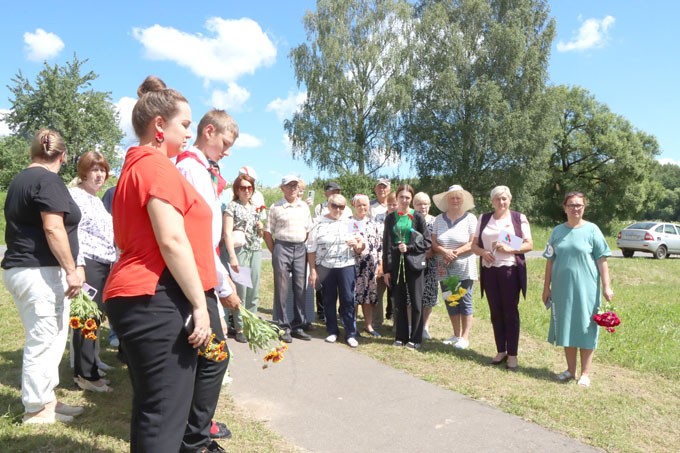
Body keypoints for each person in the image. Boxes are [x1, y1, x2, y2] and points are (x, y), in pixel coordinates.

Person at [103, 76, 216, 452]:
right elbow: (171, 239)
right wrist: (200, 305)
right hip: (154, 294)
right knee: (165, 414)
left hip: (138, 294)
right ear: (158, 126)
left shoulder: (137, 165)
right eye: (184, 124)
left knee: (154, 410)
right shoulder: (155, 166)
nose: (188, 133)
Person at [2, 129, 86, 424]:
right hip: (39, 271)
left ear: (32, 152)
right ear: (62, 156)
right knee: (44, 340)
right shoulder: (48, 180)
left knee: (49, 337)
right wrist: (71, 269)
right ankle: (36, 409)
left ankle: (47, 399)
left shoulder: (20, 180)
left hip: (24, 270)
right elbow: (53, 228)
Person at [175, 108, 242, 450]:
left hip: (203, 271)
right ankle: (195, 439)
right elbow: (198, 234)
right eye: (225, 143)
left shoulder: (200, 167)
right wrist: (224, 285)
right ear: (210, 131)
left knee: (209, 357)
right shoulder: (191, 167)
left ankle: (196, 431)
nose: (227, 151)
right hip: (198, 274)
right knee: (214, 357)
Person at [542, 191, 613, 387]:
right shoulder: (557, 231)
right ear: (565, 208)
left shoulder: (592, 230)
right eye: (571, 205)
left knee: (585, 327)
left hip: (586, 289)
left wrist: (607, 286)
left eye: (579, 205)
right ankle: (570, 370)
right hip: (561, 288)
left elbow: (602, 259)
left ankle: (585, 373)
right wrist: (546, 287)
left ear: (584, 207)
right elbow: (550, 261)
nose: (575, 208)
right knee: (566, 326)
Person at [471, 186, 533, 371]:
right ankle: (501, 350)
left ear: (510, 200)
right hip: (489, 270)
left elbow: (529, 244)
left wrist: (509, 247)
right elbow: (474, 245)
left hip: (509, 270)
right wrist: (483, 252)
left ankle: (512, 354)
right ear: (492, 201)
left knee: (510, 312)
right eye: (498, 199)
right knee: (495, 311)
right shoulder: (483, 218)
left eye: (505, 198)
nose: (501, 202)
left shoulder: (518, 218)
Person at [69, 151, 116, 393]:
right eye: (94, 170)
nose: (99, 175)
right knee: (86, 318)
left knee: (95, 318)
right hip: (89, 263)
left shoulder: (96, 199)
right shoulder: (75, 196)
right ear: (84, 172)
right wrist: (79, 266)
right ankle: (85, 375)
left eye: (103, 170)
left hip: (104, 263)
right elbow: (72, 234)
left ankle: (90, 365)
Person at [308, 194, 365, 347]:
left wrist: (357, 245)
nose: (338, 210)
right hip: (326, 266)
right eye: (335, 206)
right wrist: (313, 270)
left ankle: (350, 333)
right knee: (328, 299)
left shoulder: (351, 222)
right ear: (328, 206)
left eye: (341, 206)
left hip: (346, 265)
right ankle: (332, 331)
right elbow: (311, 249)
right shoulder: (318, 223)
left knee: (348, 299)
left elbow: (361, 247)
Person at [264, 175, 314, 343]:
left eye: (295, 185)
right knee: (282, 288)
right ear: (282, 188)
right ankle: (283, 326)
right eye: (289, 186)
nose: (293, 188)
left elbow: (308, 230)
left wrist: (301, 244)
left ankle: (298, 325)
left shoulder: (304, 207)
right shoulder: (275, 207)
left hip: (300, 248)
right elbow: (267, 232)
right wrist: (275, 251)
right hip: (281, 247)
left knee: (300, 287)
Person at [382, 184, 431, 349]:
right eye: (401, 197)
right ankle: (400, 336)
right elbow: (387, 244)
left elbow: (426, 241)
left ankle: (415, 338)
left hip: (414, 262)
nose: (404, 200)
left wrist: (409, 248)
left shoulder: (417, 217)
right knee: (399, 301)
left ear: (411, 199)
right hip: (396, 262)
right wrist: (387, 270)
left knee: (417, 302)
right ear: (396, 198)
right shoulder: (390, 217)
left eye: (407, 198)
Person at [431, 185, 478, 349]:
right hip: (444, 265)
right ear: (447, 200)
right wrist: (444, 252)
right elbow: (434, 241)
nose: (455, 200)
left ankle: (465, 337)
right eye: (452, 198)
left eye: (458, 198)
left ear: (462, 200)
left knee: (464, 299)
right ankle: (456, 334)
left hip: (463, 266)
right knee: (451, 299)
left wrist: (455, 252)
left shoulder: (470, 219)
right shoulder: (438, 219)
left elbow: (473, 242)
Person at [223, 172, 263, 343]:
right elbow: (226, 232)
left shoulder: (255, 207)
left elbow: (258, 232)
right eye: (243, 188)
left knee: (253, 290)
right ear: (237, 190)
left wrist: (260, 226)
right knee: (242, 290)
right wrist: (232, 256)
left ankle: (251, 324)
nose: (246, 191)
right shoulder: (232, 206)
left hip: (255, 250)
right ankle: (239, 327)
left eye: (249, 188)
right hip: (240, 252)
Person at [350, 194, 383, 337]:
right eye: (359, 205)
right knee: (353, 296)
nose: (362, 207)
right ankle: (352, 325)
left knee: (369, 296)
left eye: (365, 205)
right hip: (352, 264)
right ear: (354, 206)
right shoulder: (349, 223)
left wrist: (380, 264)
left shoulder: (373, 224)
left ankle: (368, 325)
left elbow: (379, 246)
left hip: (370, 265)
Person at [413, 192, 437, 340]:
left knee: (429, 295)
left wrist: (431, 251)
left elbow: (439, 240)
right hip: (413, 262)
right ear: (414, 205)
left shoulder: (436, 221)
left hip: (431, 263)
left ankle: (425, 327)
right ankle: (412, 325)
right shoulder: (410, 219)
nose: (423, 207)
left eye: (425, 204)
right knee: (412, 296)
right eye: (419, 204)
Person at [369, 178, 390, 326]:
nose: (382, 189)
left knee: (394, 289)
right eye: (379, 187)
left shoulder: (395, 203)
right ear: (375, 189)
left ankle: (395, 318)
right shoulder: (370, 206)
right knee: (377, 287)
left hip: (393, 250)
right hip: (377, 249)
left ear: (389, 189)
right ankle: (377, 320)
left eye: (385, 187)